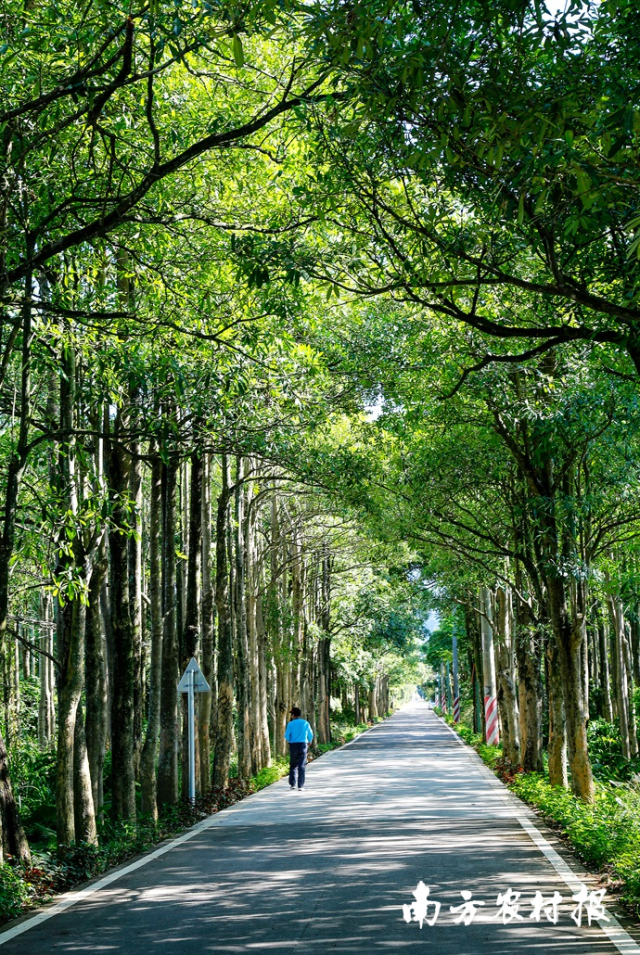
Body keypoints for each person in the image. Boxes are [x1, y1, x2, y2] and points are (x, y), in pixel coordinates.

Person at [285, 706, 314, 790]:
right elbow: (310, 734)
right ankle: (301, 785)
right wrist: (309, 741)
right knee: (301, 765)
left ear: (293, 715)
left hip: (293, 745)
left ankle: (292, 784)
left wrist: (290, 740)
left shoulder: (290, 724)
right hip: (303, 745)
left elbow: (287, 736)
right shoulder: (305, 723)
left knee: (293, 764)